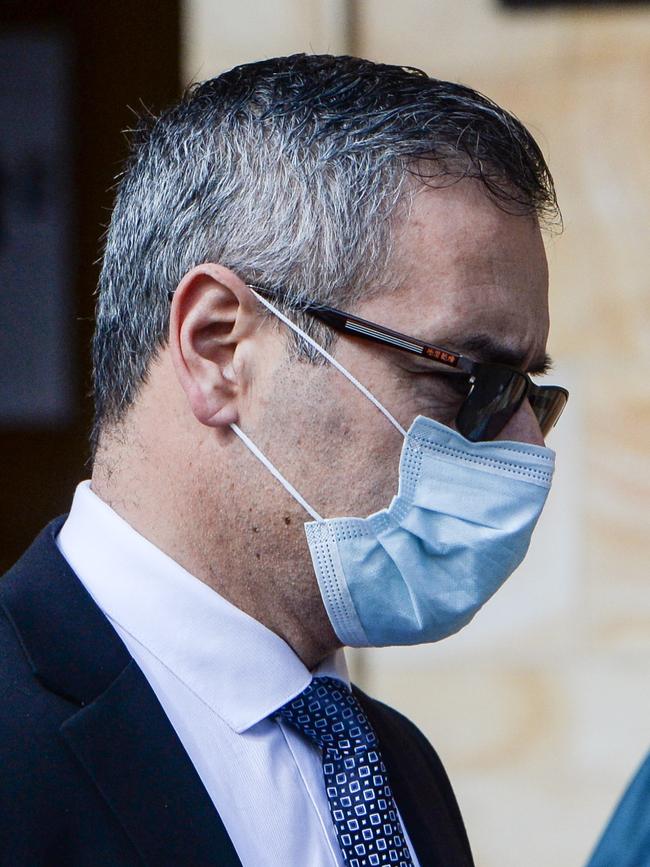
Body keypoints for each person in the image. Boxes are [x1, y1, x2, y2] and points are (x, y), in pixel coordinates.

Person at [0, 54, 567, 866]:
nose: (527, 447)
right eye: (473, 380)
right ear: (220, 346)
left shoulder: (395, 764)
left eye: (530, 393)